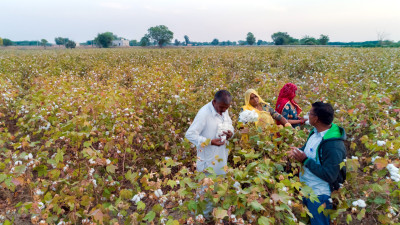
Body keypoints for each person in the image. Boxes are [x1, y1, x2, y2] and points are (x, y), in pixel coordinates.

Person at [288, 102, 346, 225]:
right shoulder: (315, 132)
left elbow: (330, 175)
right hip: (306, 188)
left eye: (310, 113)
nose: (308, 115)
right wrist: (298, 151)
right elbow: (308, 149)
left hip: (320, 195)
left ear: (316, 119)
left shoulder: (333, 146)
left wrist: (305, 160)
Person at [185, 90, 234, 218]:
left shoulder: (224, 109)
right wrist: (209, 142)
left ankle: (211, 216)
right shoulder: (204, 113)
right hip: (207, 159)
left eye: (226, 108)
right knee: (205, 191)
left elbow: (230, 125)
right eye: (221, 108)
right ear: (214, 101)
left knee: (217, 189)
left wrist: (230, 133)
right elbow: (190, 134)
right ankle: (200, 218)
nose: (223, 111)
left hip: (221, 157)